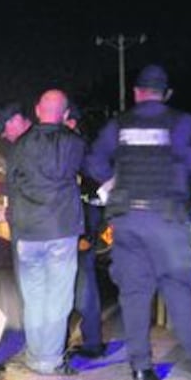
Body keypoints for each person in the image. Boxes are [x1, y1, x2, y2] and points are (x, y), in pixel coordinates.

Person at [84, 64, 191, 380]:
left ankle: (141, 367)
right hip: (167, 219)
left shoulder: (120, 124)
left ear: (136, 93)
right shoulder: (181, 122)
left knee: (134, 292)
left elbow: (93, 161)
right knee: (178, 285)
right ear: (166, 93)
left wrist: (111, 180)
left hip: (128, 219)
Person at [4, 89, 86, 375]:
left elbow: (11, 183)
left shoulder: (20, 145)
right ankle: (49, 360)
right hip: (62, 230)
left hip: (28, 232)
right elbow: (88, 175)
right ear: (65, 115)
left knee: (34, 296)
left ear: (38, 110)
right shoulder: (75, 143)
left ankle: (36, 355)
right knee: (58, 297)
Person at [65, 101, 108, 359]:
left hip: (80, 228)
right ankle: (88, 341)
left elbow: (96, 195)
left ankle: (91, 343)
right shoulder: (78, 148)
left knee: (83, 282)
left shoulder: (80, 151)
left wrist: (86, 234)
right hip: (76, 226)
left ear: (71, 122)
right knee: (78, 282)